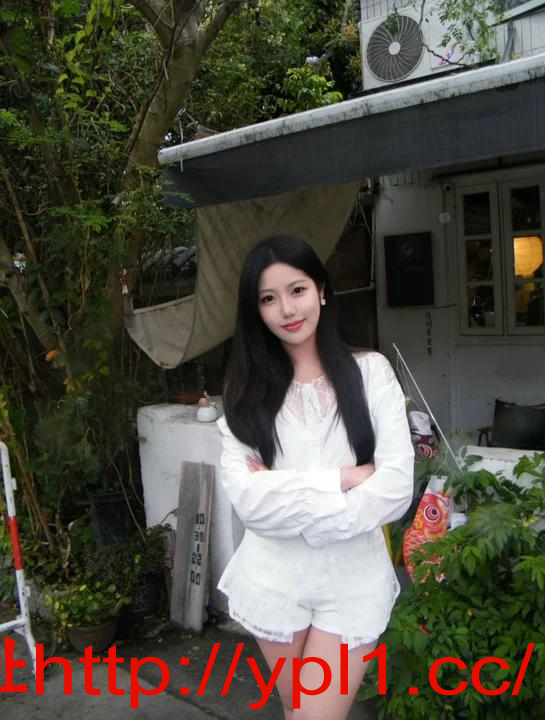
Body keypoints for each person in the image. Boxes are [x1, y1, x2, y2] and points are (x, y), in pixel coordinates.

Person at [216, 235, 414, 720]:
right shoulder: (246, 391)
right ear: (256, 310)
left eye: (297, 290)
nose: (287, 309)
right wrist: (344, 479)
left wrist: (289, 500)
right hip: (273, 580)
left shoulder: (372, 374)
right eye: (268, 298)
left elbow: (394, 489)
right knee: (295, 709)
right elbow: (250, 503)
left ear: (321, 290)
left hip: (353, 581)